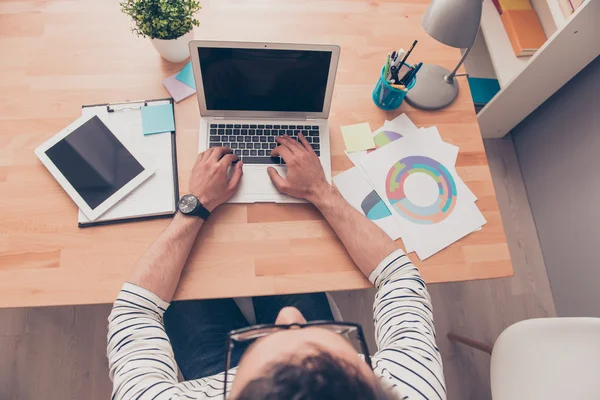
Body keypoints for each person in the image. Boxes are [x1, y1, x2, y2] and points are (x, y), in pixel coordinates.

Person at [107, 133, 446, 399]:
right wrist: (320, 191)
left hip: (209, 375)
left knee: (180, 297)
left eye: (278, 333)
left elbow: (136, 311)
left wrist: (197, 205)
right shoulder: (407, 388)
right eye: (312, 335)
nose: (289, 316)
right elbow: (398, 276)